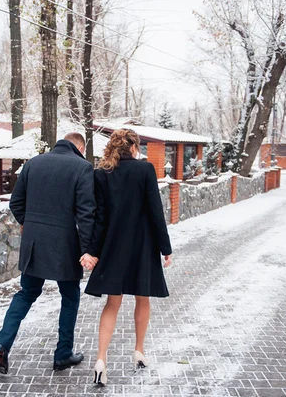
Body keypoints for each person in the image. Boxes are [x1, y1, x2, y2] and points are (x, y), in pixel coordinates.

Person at [0, 132, 99, 374]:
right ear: (80, 147)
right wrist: (87, 249)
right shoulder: (82, 167)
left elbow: (16, 203)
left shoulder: (33, 163)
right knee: (70, 298)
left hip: (34, 244)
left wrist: (30, 226)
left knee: (26, 294)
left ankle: (2, 344)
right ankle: (62, 355)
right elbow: (85, 213)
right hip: (66, 246)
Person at [85, 129, 173, 386]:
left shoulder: (101, 173)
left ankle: (101, 359)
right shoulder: (145, 170)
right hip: (142, 245)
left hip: (114, 246)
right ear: (133, 146)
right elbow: (155, 211)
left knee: (113, 303)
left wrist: (93, 250)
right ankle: (139, 351)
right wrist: (165, 248)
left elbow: (99, 219)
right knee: (142, 297)